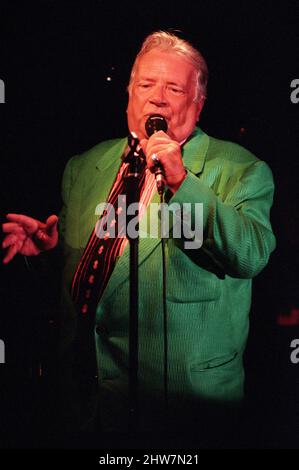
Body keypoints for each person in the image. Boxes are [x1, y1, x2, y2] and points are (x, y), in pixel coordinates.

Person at [2, 31, 276, 445]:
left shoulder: (240, 169)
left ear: (198, 103)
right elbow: (96, 279)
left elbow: (251, 255)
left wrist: (182, 180)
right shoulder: (85, 165)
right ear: (129, 93)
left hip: (183, 412)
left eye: (174, 88)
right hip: (85, 404)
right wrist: (48, 253)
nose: (158, 98)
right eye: (146, 84)